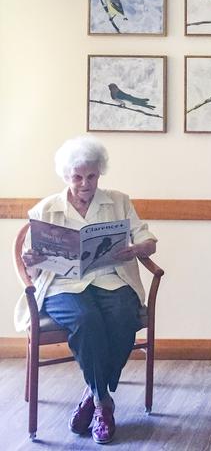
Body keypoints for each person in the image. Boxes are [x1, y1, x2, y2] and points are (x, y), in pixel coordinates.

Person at [14, 136, 157, 444]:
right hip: (62, 285)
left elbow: (149, 240)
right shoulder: (46, 209)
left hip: (110, 277)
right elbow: (32, 269)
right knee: (86, 320)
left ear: (99, 173)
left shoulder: (119, 200)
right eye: (77, 177)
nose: (84, 184)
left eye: (91, 176)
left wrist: (136, 248)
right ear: (67, 176)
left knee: (123, 315)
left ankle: (93, 397)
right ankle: (104, 404)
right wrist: (33, 260)